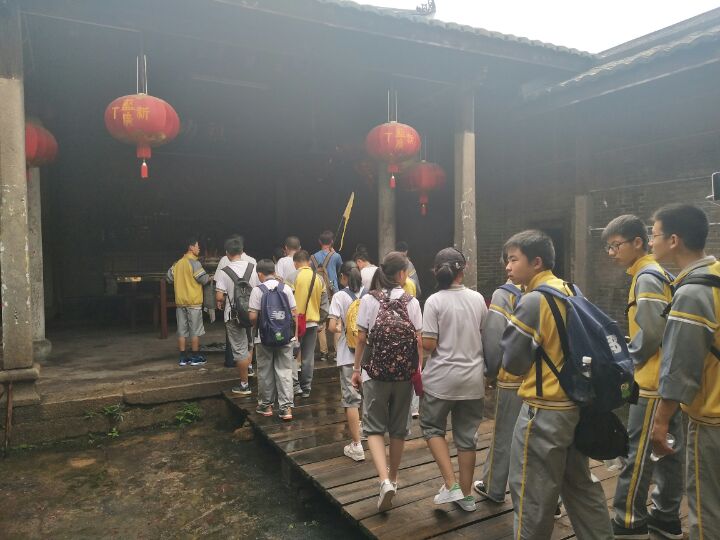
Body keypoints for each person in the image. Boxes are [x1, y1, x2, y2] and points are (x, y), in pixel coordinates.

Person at [501, 230, 612, 540]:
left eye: (513, 259)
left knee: (532, 493)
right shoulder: (571, 289)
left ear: (536, 262)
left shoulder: (533, 301)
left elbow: (512, 362)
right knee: (580, 484)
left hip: (544, 410)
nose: (508, 267)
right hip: (576, 403)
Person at [601, 215, 683, 540]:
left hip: (650, 382)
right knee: (668, 452)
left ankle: (628, 519)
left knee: (638, 454)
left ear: (638, 242)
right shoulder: (659, 273)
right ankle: (666, 516)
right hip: (668, 381)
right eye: (608, 247)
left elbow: (651, 332)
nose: (611, 253)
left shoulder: (646, 277)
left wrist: (628, 358)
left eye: (616, 245)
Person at [649, 204, 720, 540]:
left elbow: (680, 366)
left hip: (711, 418)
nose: (651, 242)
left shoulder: (692, 293)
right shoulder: (716, 275)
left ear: (674, 240)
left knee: (707, 510)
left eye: (654, 234)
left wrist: (660, 421)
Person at [351, 252, 423, 512]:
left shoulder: (369, 300)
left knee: (373, 428)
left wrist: (356, 369)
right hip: (404, 375)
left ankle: (383, 481)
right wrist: (417, 370)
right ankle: (394, 477)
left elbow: (361, 339)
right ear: (402, 274)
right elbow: (418, 340)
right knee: (398, 428)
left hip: (376, 373)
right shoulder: (412, 302)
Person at [421, 248, 487, 513]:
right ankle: (467, 496)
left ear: (436, 271)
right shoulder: (478, 299)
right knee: (467, 438)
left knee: (432, 428)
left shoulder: (434, 301)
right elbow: (483, 334)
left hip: (441, 380)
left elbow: (429, 345)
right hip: (472, 379)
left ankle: (451, 485)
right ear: (464, 268)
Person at [474, 268, 524, 504]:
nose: (508, 266)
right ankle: (551, 501)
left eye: (514, 259)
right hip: (547, 382)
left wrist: (491, 371)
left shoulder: (505, 294)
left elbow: (494, 337)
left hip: (514, 378)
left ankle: (494, 487)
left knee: (505, 433)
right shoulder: (561, 289)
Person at [249, 259, 298, 421]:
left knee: (265, 371)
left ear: (260, 274)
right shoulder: (286, 289)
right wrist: (294, 335)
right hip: (285, 336)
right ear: (274, 272)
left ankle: (266, 406)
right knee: (285, 371)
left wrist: (258, 327)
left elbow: (253, 316)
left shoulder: (257, 290)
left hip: (263, 338)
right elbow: (294, 314)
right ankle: (286, 409)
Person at [328, 261, 366, 461]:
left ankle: (357, 446)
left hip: (348, 355)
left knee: (351, 400)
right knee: (368, 395)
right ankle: (366, 430)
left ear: (343, 277)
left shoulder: (339, 296)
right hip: (369, 353)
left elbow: (331, 326)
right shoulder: (369, 295)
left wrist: (341, 328)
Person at [214, 236, 260, 396]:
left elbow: (219, 296)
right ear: (242, 251)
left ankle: (244, 385)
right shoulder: (253, 267)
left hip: (233, 316)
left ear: (227, 253)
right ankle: (249, 368)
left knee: (239, 349)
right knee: (250, 343)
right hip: (252, 312)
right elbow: (259, 289)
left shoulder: (224, 271)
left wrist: (221, 301)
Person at [167, 236, 211, 366]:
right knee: (195, 331)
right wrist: (210, 277)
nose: (199, 248)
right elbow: (203, 279)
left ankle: (182, 358)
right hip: (193, 302)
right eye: (197, 246)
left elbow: (169, 278)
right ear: (191, 247)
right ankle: (195, 357)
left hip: (180, 302)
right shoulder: (195, 263)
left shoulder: (177, 264)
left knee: (182, 331)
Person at [292, 250, 327, 398]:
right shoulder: (319, 279)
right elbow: (324, 304)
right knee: (308, 357)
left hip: (294, 324)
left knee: (292, 355)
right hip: (312, 323)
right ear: (308, 261)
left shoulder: (292, 277)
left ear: (295, 263)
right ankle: (306, 388)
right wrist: (321, 321)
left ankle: (295, 386)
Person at [312, 230, 342, 362]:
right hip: (334, 291)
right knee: (337, 321)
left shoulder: (313, 257)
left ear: (319, 242)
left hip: (319, 291)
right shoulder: (336, 256)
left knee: (321, 322)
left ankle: (323, 353)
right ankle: (337, 352)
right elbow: (339, 270)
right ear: (332, 242)